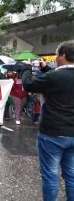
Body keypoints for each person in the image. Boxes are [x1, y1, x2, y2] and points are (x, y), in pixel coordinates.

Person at [21, 41, 74, 200]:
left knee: (50, 175)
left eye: (57, 54)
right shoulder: (54, 74)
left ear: (63, 55)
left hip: (52, 133)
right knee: (71, 175)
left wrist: (26, 68)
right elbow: (63, 79)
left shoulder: (54, 76)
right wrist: (45, 68)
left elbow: (28, 84)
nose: (56, 58)